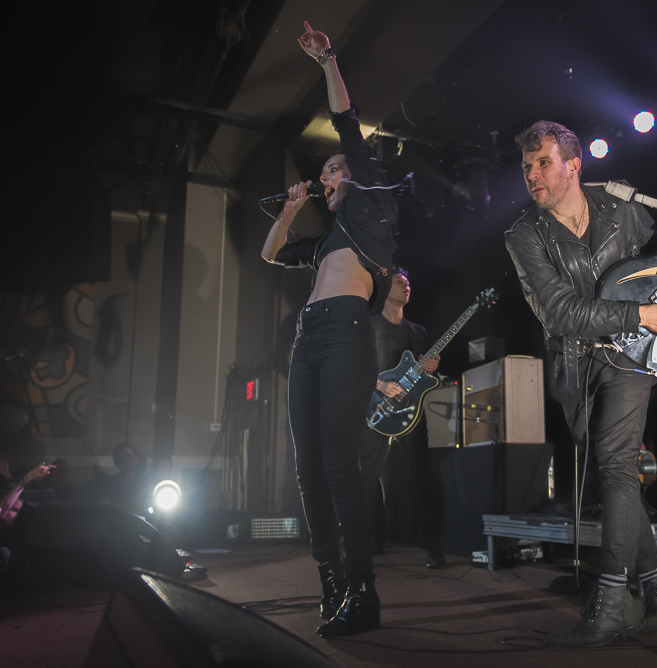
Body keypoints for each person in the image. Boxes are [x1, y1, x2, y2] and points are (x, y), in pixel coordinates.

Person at [505, 121, 657, 648]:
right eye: (526, 166)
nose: (532, 174)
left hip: (632, 359)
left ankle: (613, 598)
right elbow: (559, 312)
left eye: (543, 162)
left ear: (573, 165)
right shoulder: (524, 234)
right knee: (612, 473)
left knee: (616, 466)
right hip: (576, 364)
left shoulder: (624, 207)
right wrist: (639, 314)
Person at [260, 21, 398, 638]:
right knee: (307, 468)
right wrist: (292, 208)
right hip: (308, 338)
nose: (328, 177)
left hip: (345, 333)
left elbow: (346, 122)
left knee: (340, 464)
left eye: (336, 169)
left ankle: (364, 591)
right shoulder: (324, 243)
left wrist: (327, 62)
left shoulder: (371, 210)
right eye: (325, 173)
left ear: (357, 175)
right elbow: (270, 253)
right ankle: (332, 580)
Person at [357, 268, 446, 568]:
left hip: (411, 412)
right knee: (368, 479)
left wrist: (431, 369)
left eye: (407, 282)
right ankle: (371, 542)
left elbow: (421, 376)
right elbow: (356, 366)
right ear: (384, 288)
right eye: (398, 281)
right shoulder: (368, 325)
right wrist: (380, 385)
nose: (405, 285)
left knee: (423, 478)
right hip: (374, 408)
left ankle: (433, 547)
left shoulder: (417, 332)